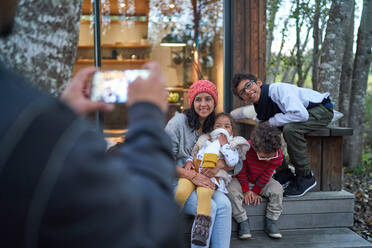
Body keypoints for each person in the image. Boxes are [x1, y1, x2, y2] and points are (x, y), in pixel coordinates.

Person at [0, 2, 181, 246]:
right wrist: (148, 116)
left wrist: (59, 116)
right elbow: (147, 226)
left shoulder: (27, 120)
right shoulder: (35, 128)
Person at [231, 73, 334, 197]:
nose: (248, 91)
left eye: (249, 85)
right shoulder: (260, 107)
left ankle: (305, 176)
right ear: (244, 99)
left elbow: (301, 114)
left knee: (291, 129)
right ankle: (284, 174)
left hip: (320, 109)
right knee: (264, 132)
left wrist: (272, 121)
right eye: (242, 92)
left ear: (258, 83)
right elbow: (265, 124)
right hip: (303, 114)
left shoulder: (278, 90)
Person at [165, 80, 232, 248]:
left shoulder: (215, 127)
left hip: (203, 183)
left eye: (208, 99)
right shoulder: (178, 122)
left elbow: (234, 161)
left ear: (214, 102)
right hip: (177, 182)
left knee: (225, 205)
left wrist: (219, 166)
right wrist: (191, 175)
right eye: (198, 99)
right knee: (210, 207)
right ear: (192, 102)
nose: (203, 104)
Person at [174, 112, 249, 246]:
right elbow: (195, 154)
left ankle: (201, 232)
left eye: (227, 126)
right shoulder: (204, 140)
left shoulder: (231, 144)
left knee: (221, 203)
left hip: (209, 180)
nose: (222, 129)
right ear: (213, 128)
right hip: (188, 175)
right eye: (218, 126)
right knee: (182, 191)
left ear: (232, 130)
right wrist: (190, 162)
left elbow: (234, 162)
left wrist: (222, 155)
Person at [227, 122, 284, 239]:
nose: (267, 159)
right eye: (264, 156)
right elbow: (240, 170)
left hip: (262, 181)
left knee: (277, 189)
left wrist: (256, 191)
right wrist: (246, 190)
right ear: (255, 147)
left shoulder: (277, 155)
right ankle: (242, 221)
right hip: (243, 180)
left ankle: (271, 221)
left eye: (270, 156)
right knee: (230, 189)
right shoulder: (246, 149)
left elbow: (267, 175)